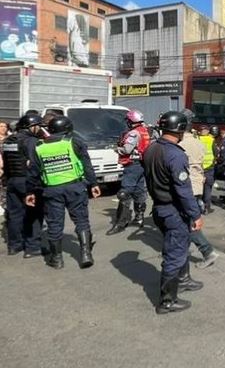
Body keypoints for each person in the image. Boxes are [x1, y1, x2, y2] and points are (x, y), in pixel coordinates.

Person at [143, 111, 203, 314]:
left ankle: (184, 280)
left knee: (181, 247)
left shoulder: (151, 148)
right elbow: (184, 191)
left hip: (159, 207)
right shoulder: (175, 154)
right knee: (174, 254)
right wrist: (195, 215)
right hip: (173, 210)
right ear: (180, 130)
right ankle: (167, 301)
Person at [25, 116, 101, 269]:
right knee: (81, 221)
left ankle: (57, 259)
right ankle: (86, 254)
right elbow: (87, 164)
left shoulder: (39, 147)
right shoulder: (74, 142)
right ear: (67, 129)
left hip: (52, 190)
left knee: (54, 224)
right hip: (75, 188)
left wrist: (30, 192)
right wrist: (93, 183)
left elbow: (33, 172)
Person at [178, 112, 220, 269]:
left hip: (186, 186)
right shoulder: (199, 142)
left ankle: (207, 251)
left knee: (187, 222)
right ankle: (189, 249)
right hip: (197, 185)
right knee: (189, 220)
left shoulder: (180, 144)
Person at [2, 113, 44, 257]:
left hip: (12, 180)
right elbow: (34, 164)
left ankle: (14, 246)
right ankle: (32, 248)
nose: (39, 129)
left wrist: (7, 180)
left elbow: (6, 163)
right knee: (34, 214)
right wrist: (33, 187)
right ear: (31, 126)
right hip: (28, 181)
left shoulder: (8, 141)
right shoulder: (31, 141)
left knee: (15, 214)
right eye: (38, 126)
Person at [107, 110, 150, 235]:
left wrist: (117, 148)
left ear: (131, 121)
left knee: (124, 193)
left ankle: (121, 223)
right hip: (142, 165)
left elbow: (127, 149)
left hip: (132, 165)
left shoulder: (133, 133)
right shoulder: (145, 131)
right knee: (139, 192)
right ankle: (139, 218)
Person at [198, 124, 216, 214]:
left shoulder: (197, 139)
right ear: (208, 131)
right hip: (209, 168)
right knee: (207, 189)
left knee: (198, 189)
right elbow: (216, 152)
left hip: (199, 168)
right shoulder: (211, 140)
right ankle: (207, 208)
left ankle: (198, 208)